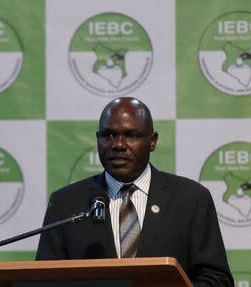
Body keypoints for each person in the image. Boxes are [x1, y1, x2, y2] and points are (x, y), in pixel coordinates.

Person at [36, 97, 233, 287]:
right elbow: (43, 280)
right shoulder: (66, 203)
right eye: (108, 135)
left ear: (152, 141)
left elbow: (217, 279)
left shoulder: (191, 198)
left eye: (131, 135)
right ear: (98, 139)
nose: (118, 145)